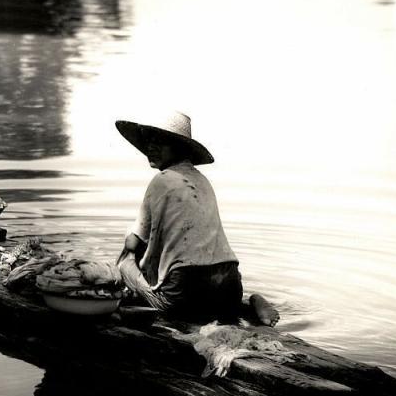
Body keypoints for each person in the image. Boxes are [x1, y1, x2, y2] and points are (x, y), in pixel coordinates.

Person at [116, 110, 279, 326]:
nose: (151, 148)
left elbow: (132, 243)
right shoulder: (203, 181)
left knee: (125, 262)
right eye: (150, 141)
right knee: (214, 306)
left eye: (160, 142)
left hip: (186, 289)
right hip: (230, 284)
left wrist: (128, 266)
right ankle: (248, 306)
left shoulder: (161, 180)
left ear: (178, 147)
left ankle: (147, 298)